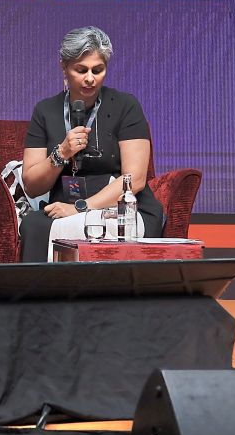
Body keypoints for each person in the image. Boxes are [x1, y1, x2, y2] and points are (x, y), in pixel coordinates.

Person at [18, 27, 163, 262]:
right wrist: (62, 153)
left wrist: (82, 208)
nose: (89, 78)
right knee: (34, 225)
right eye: (81, 70)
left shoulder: (126, 106)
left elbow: (134, 179)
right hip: (63, 204)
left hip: (119, 205)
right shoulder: (45, 110)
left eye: (98, 70)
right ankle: (44, 299)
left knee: (108, 226)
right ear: (64, 67)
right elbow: (32, 185)